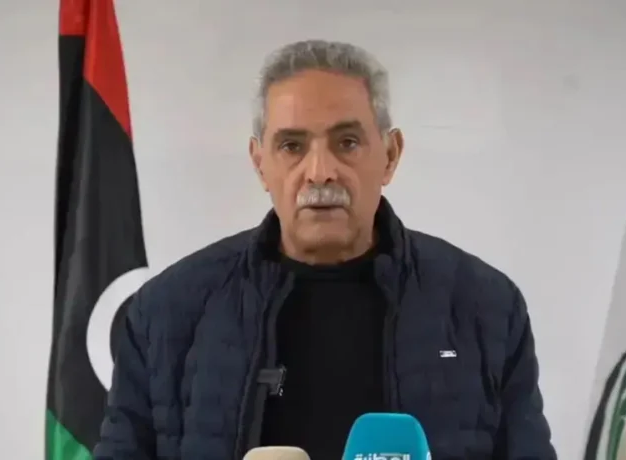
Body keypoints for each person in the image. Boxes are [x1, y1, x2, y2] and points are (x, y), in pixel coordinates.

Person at [93, 40, 557, 460]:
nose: (319, 171)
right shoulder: (165, 312)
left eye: (347, 142)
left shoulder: (485, 307)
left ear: (390, 155)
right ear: (260, 163)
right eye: (292, 146)